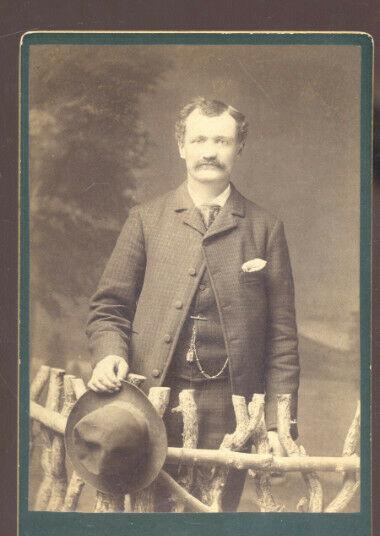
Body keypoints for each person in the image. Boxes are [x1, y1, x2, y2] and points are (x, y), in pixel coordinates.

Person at [86, 97, 300, 511]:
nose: (209, 151)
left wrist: (278, 423)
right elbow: (109, 308)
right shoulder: (146, 220)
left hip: (231, 411)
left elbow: (282, 339)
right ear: (180, 146)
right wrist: (108, 355)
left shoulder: (265, 229)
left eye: (221, 140)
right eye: (199, 139)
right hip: (152, 402)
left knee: (213, 527)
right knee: (149, 524)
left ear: (239, 148)